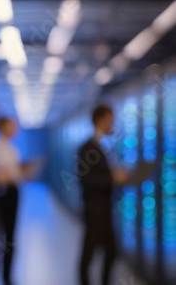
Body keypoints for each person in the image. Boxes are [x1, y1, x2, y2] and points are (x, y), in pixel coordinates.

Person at [78, 105, 129, 285]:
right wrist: (112, 177)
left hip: (104, 207)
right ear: (99, 120)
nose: (112, 124)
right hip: (94, 208)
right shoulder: (86, 148)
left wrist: (114, 176)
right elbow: (85, 179)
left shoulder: (103, 145)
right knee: (89, 251)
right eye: (109, 119)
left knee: (110, 251)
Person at [0, 117, 23, 285]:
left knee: (11, 234)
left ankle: (7, 275)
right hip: (5, 194)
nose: (15, 129)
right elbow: (2, 174)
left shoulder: (10, 147)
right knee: (6, 235)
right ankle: (4, 276)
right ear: (3, 128)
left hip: (13, 191)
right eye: (12, 126)